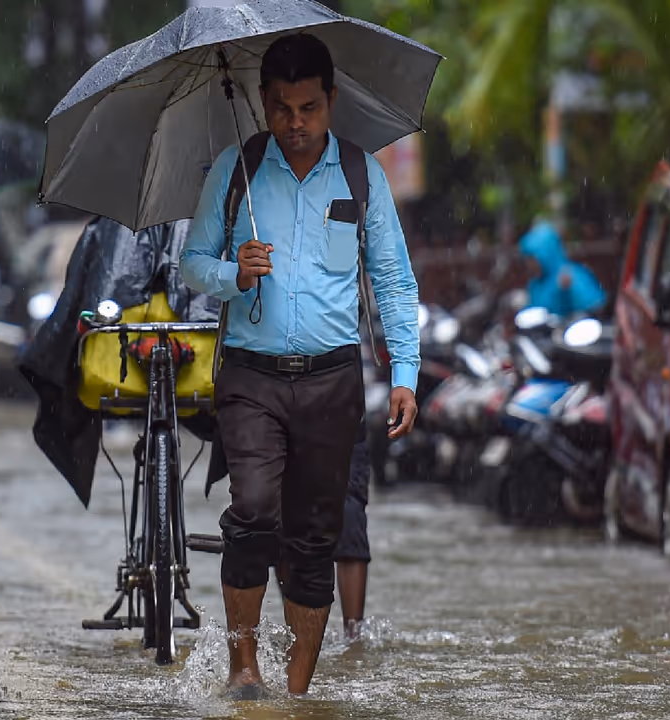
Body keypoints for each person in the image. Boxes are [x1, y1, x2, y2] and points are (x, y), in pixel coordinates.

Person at [180, 34, 419, 696]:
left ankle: (295, 694)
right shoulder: (237, 169)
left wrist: (405, 374)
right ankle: (242, 670)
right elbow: (192, 262)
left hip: (333, 380)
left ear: (330, 101)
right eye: (281, 108)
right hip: (251, 378)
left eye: (308, 108)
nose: (294, 123)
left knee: (318, 535)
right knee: (253, 510)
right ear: (261, 103)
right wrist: (235, 273)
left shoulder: (363, 174)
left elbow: (395, 282)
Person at [519, 221, 606, 316]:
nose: (530, 264)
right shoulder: (535, 284)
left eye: (533, 259)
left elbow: (593, 306)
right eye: (527, 259)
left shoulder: (572, 275)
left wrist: (566, 293)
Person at [335, 426, 372, 643]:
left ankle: (353, 638)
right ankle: (297, 634)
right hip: (279, 408)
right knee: (287, 521)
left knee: (349, 516)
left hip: (344, 414)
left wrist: (404, 388)